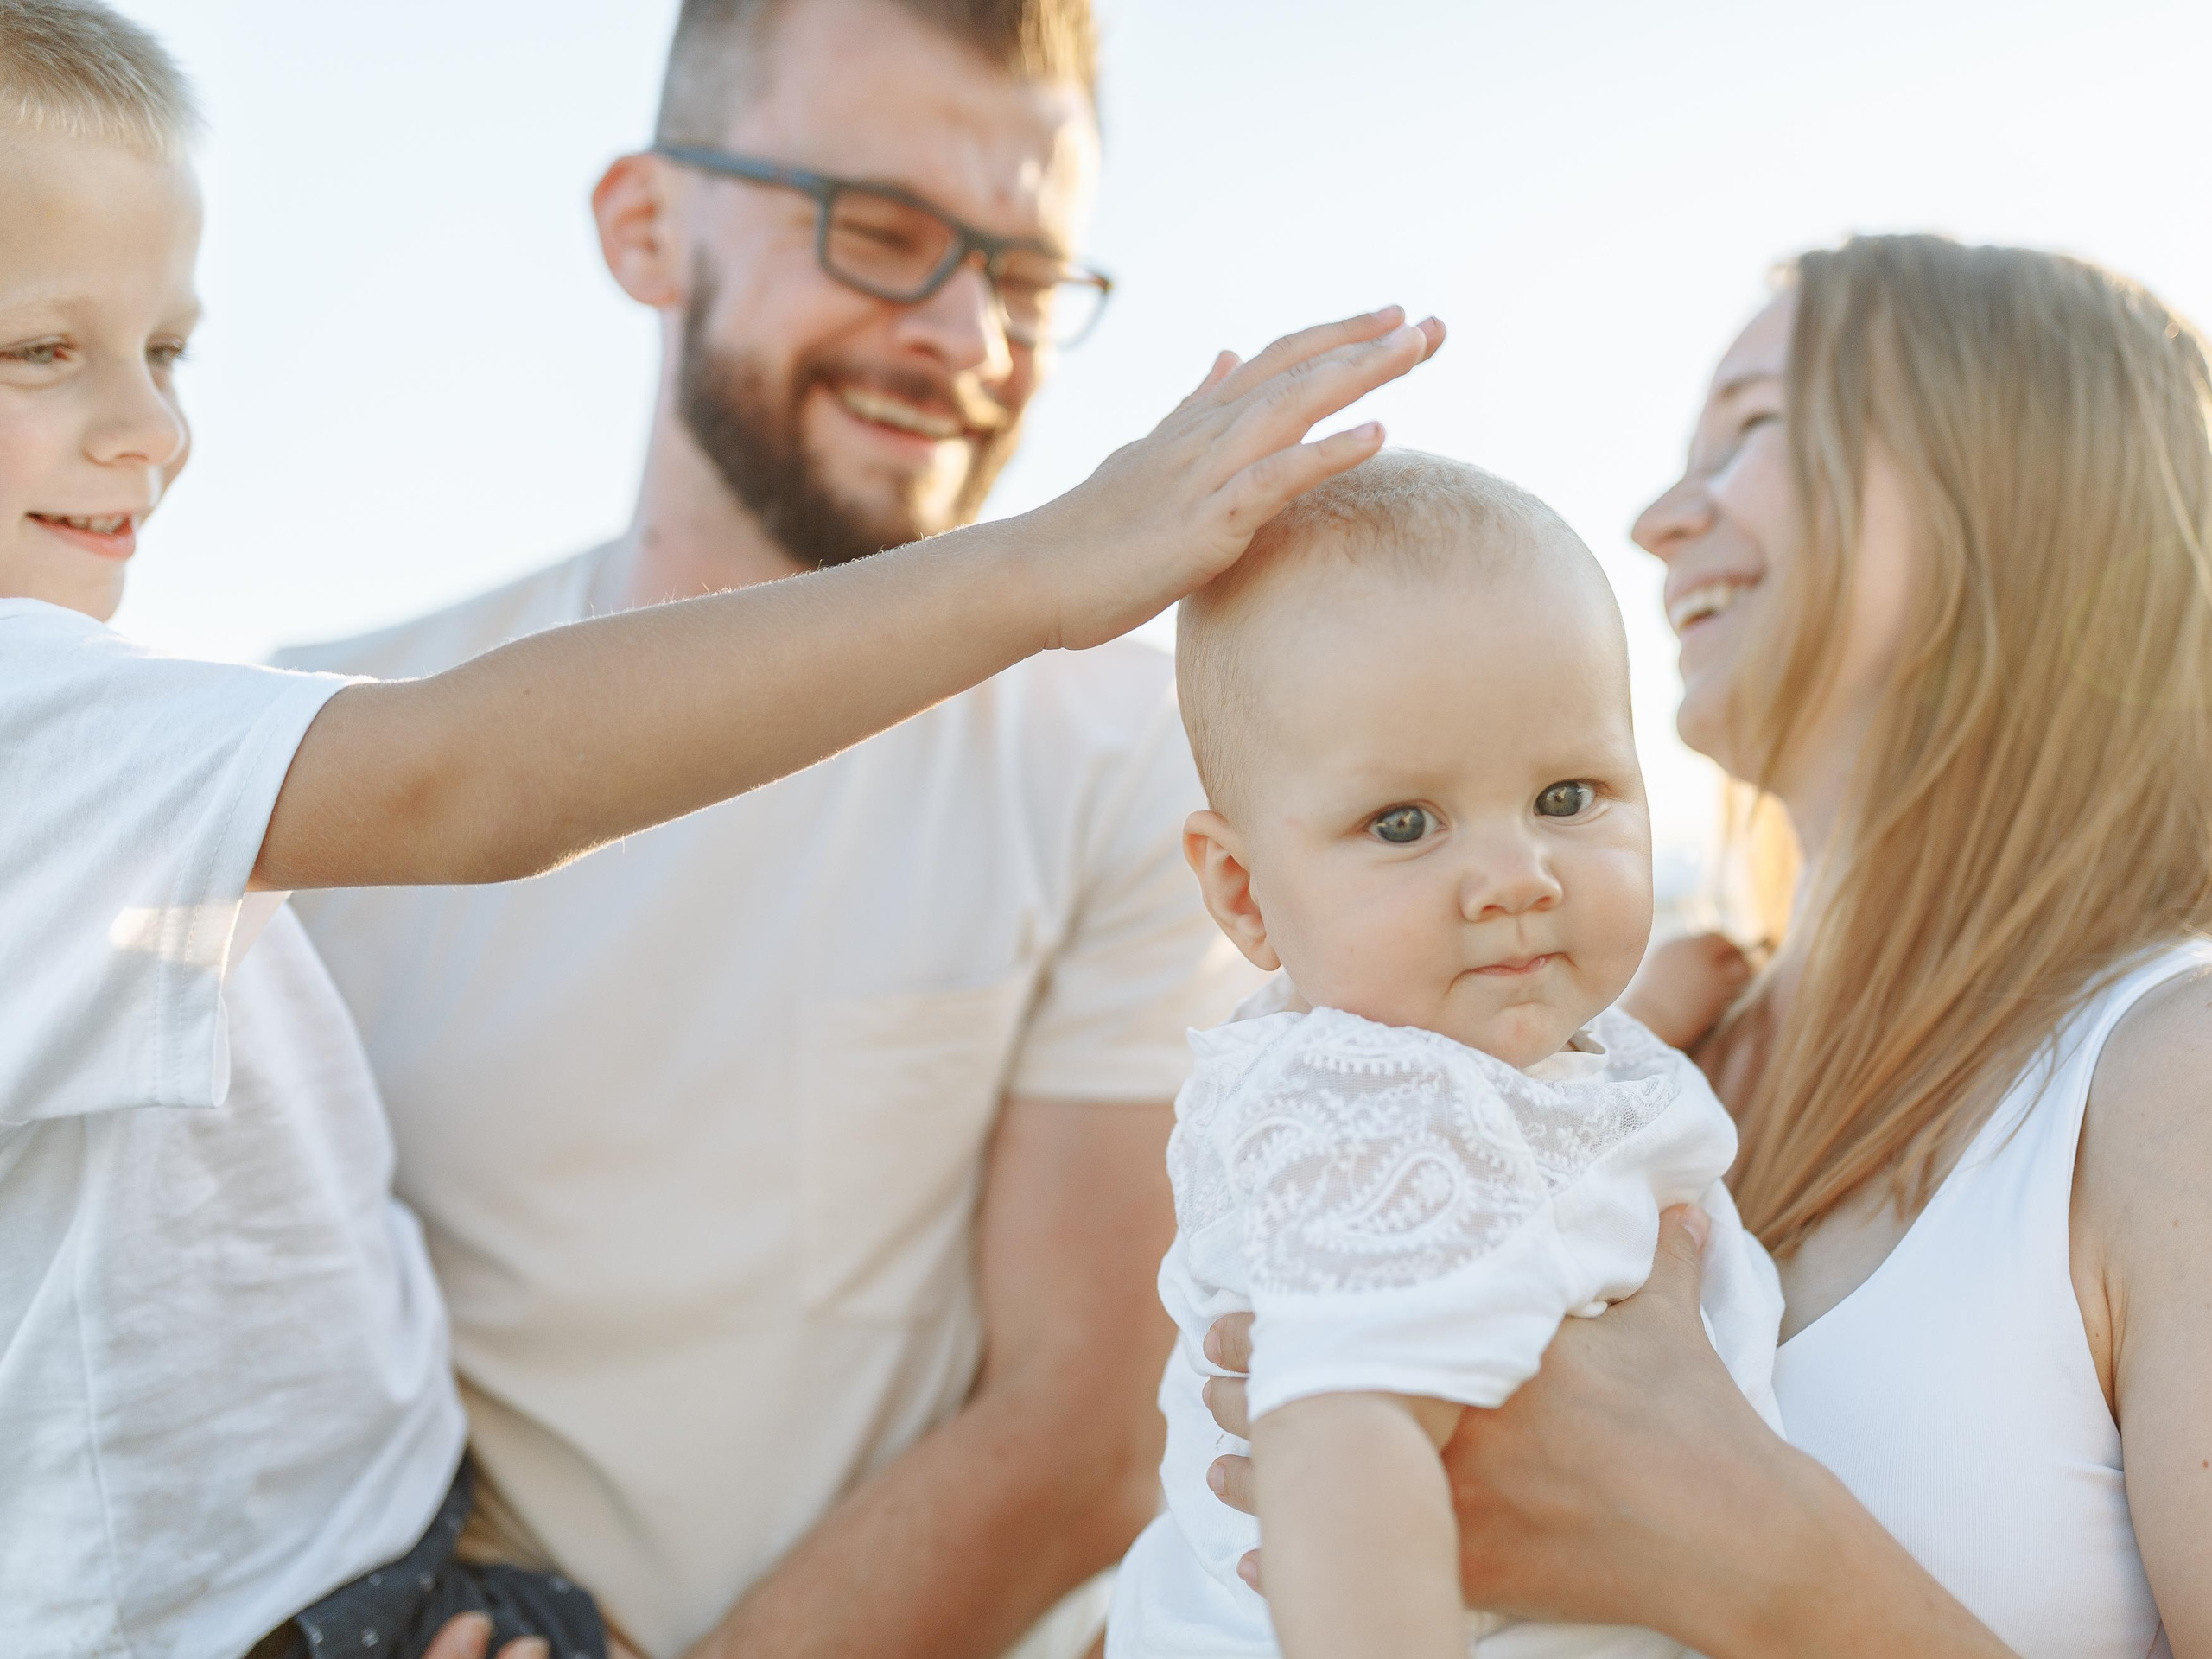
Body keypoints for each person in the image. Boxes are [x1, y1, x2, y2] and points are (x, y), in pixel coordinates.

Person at [0, 4, 1444, 1655]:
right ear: (644, 226)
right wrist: (1047, 565)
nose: (964, 334)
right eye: (877, 231)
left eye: (1030, 277)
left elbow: (1087, 1431)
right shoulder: (316, 746)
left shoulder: (1150, 760)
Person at [1195, 235, 2212, 1656]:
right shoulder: (1578, 1047)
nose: (1662, 518)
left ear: (2032, 486)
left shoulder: (2170, 1085)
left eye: (1751, 431)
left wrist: (1755, 1557)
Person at [1102, 451, 1783, 1659]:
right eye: (1405, 824)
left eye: (1567, 798)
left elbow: (1554, 1106)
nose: (1518, 878)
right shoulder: (1362, 1117)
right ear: (1246, 894)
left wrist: (1661, 1005)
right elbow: (1343, 1452)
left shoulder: (1445, 1047)